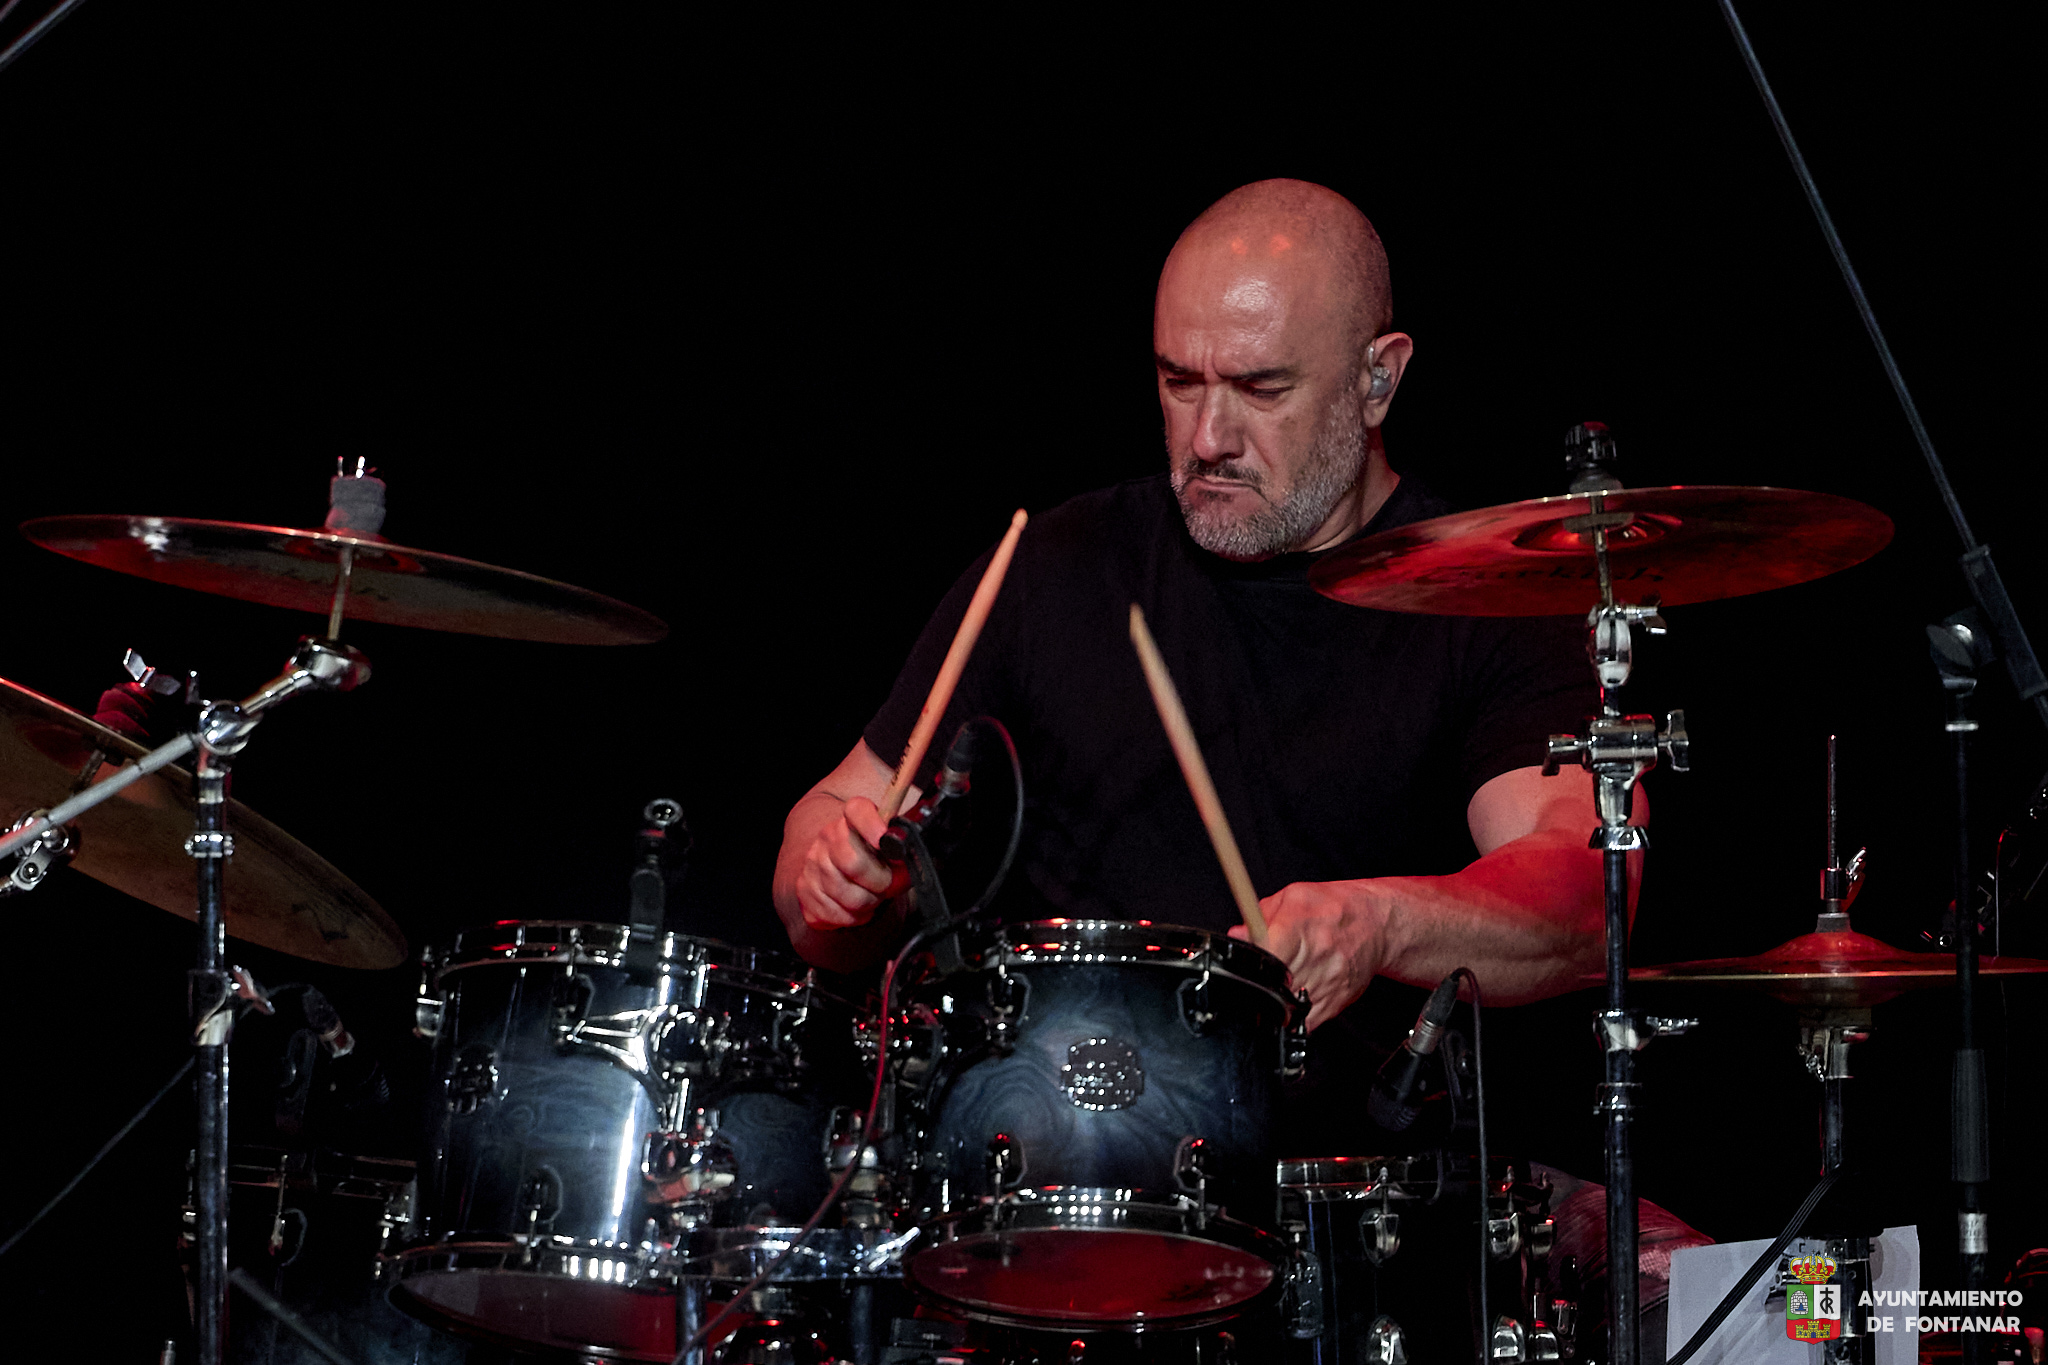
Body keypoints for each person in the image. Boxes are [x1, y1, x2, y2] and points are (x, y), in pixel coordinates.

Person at [773, 178, 1637, 1031]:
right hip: (1053, 1106)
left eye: (1261, 389)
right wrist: (835, 877)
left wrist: (1380, 922)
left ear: (1378, 379)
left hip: (1365, 1122)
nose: (1208, 438)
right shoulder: (1057, 564)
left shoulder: (1482, 593)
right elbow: (825, 842)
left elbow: (1588, 894)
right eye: (1180, 381)